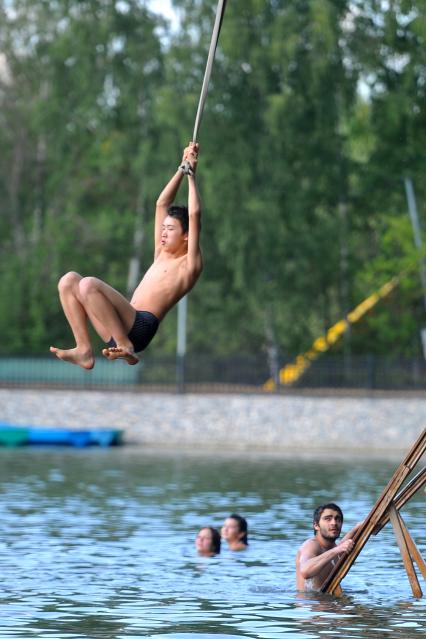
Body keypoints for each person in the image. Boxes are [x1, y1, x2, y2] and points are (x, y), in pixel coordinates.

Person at [50, 142, 202, 368]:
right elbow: (161, 203)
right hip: (117, 326)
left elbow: (195, 213)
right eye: (163, 228)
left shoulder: (189, 264)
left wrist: (191, 176)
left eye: (170, 229)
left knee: (89, 284)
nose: (163, 233)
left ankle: (126, 347)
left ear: (187, 236)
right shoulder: (160, 253)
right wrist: (182, 168)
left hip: (140, 327)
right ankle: (83, 349)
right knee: (68, 281)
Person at [296, 502, 363, 592]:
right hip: (310, 604)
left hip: (326, 601)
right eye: (328, 519)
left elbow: (338, 549)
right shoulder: (311, 545)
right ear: (316, 525)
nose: (334, 523)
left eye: (337, 519)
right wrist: (337, 549)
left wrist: (357, 528)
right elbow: (305, 571)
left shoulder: (331, 548)